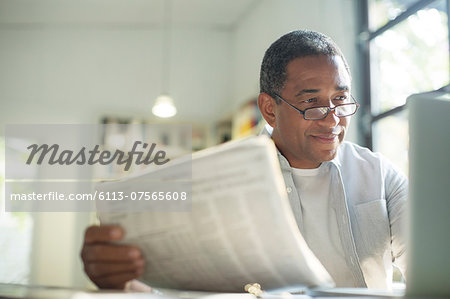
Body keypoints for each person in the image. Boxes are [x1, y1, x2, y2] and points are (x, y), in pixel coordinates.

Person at [81, 29, 407, 290]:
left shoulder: (381, 175)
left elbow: (433, 265)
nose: (333, 119)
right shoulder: (217, 180)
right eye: (312, 102)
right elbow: (167, 287)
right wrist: (120, 279)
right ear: (269, 109)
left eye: (340, 99)